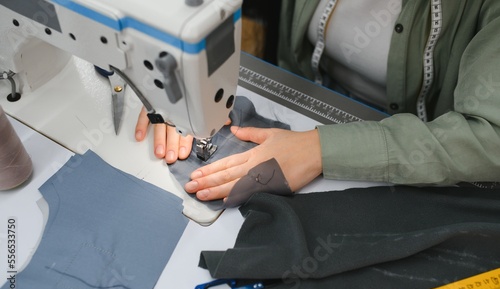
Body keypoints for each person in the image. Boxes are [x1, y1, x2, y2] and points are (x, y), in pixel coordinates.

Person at [135, 0, 500, 203]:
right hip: (297, 101)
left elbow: (490, 137)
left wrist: (321, 150)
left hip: (420, 160)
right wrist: (162, 63)